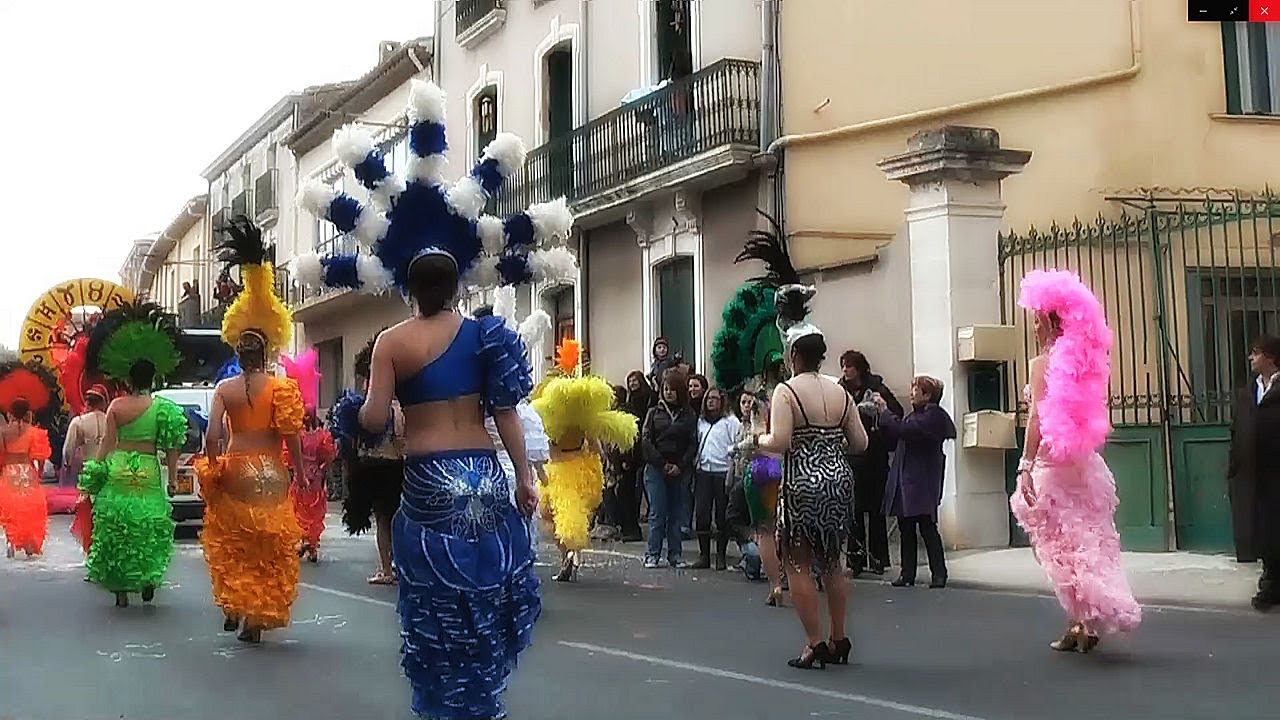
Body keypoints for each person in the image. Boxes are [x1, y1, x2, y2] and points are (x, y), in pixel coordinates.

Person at [297, 78, 575, 719]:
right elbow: (506, 411)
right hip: (482, 472)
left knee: (433, 608)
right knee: (483, 600)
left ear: (407, 285)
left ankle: (447, 705)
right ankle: (482, 704)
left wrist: (361, 418)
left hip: (426, 478)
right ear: (456, 282)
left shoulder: (391, 342)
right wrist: (526, 480)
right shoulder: (486, 335)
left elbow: (370, 421)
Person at [1010, 269, 1141, 652]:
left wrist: (1025, 464)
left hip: (1051, 466)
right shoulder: (1085, 364)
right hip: (1085, 466)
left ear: (1050, 322)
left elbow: (1037, 417)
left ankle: (1080, 620)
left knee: (1057, 547)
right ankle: (1083, 623)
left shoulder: (1042, 363)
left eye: (1036, 320)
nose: (1033, 329)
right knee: (1089, 542)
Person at [196, 216, 307, 644]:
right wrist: (297, 470)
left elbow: (210, 436)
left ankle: (236, 604)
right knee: (267, 543)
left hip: (238, 466)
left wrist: (212, 465)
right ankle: (257, 615)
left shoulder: (224, 387)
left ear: (238, 352)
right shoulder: (282, 387)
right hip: (271, 471)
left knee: (233, 539)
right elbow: (292, 434)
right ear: (266, 352)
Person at [751, 282, 868, 670]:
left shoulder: (787, 391)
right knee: (832, 561)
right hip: (838, 482)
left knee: (799, 563)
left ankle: (814, 643)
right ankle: (839, 637)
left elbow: (780, 441)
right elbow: (861, 442)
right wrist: (829, 446)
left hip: (802, 484)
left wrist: (757, 437)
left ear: (795, 354)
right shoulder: (841, 392)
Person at [78, 302, 186, 607]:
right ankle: (149, 576)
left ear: (128, 379)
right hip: (149, 470)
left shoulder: (116, 407)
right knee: (149, 524)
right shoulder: (163, 409)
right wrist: (174, 478)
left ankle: (121, 590)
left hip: (119, 469)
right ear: (153, 379)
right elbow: (172, 446)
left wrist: (94, 475)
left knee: (117, 526)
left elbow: (106, 444)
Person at [532, 338, 638, 581]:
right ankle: (570, 556)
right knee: (561, 517)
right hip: (567, 470)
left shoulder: (562, 422)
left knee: (567, 518)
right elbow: (595, 445)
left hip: (566, 472)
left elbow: (590, 444)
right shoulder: (559, 421)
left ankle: (569, 557)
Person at [330, 334, 405, 584]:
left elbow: (355, 437)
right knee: (397, 519)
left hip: (378, 467)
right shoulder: (399, 408)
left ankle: (386, 568)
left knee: (384, 521)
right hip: (397, 467)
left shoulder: (377, 408)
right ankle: (397, 565)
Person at [880, 375, 955, 589]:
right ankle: (908, 573)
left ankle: (938, 573)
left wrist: (885, 413)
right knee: (907, 527)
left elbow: (905, 431)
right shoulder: (919, 415)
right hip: (909, 480)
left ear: (928, 395)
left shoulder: (932, 417)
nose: (912, 393)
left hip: (921, 480)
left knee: (926, 526)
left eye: (916, 389)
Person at [1227, 334, 1280, 610]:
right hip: (1253, 474)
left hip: (1276, 472)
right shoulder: (1249, 391)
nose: (1251, 358)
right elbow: (1237, 430)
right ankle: (1270, 582)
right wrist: (1233, 467)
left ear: (1270, 357)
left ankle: (1271, 586)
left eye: (1256, 353)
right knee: (1262, 531)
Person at [839, 350, 901, 576]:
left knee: (876, 511)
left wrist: (879, 408)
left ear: (860, 368)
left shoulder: (876, 387)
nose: (845, 371)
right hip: (851, 456)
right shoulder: (840, 390)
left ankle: (878, 559)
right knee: (853, 511)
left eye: (849, 366)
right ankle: (856, 560)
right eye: (843, 366)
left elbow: (896, 412)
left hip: (874, 457)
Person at [281, 350, 336, 563]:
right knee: (314, 511)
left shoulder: (298, 437)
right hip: (316, 479)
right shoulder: (321, 435)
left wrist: (296, 468)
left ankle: (305, 541)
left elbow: (288, 456)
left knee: (299, 509)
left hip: (301, 476)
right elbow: (329, 454)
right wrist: (322, 468)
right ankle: (311, 545)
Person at [640, 369, 699, 569]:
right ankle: (652, 554)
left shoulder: (689, 415)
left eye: (673, 389)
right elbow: (646, 441)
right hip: (656, 468)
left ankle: (675, 555)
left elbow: (692, 443)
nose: (668, 393)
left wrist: (680, 465)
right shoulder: (653, 413)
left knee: (675, 512)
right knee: (657, 512)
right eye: (666, 389)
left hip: (678, 468)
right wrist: (662, 464)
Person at [0, 362, 57, 559]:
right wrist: (39, 472)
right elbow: (40, 456)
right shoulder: (34, 432)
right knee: (31, 508)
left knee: (11, 507)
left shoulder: (4, 432)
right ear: (26, 412)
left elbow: (0, 454)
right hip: (27, 470)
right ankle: (29, 543)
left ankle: (12, 541)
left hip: (9, 471)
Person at [693, 387, 739, 569]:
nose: (711, 401)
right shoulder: (701, 421)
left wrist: (728, 453)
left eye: (714, 398)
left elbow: (737, 443)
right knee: (702, 514)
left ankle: (721, 556)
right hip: (704, 471)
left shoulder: (730, 421)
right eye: (708, 399)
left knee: (722, 515)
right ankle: (704, 556)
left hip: (722, 472)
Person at [618, 371, 653, 541]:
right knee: (628, 492)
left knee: (634, 491)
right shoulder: (629, 401)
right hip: (630, 454)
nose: (632, 383)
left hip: (637, 453)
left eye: (635, 380)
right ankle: (628, 527)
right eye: (630, 381)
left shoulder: (647, 398)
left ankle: (633, 528)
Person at [63, 385, 109, 491]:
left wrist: (68, 464)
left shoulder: (78, 421)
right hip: (108, 471)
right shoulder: (112, 421)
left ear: (87, 402)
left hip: (86, 470)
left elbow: (68, 448)